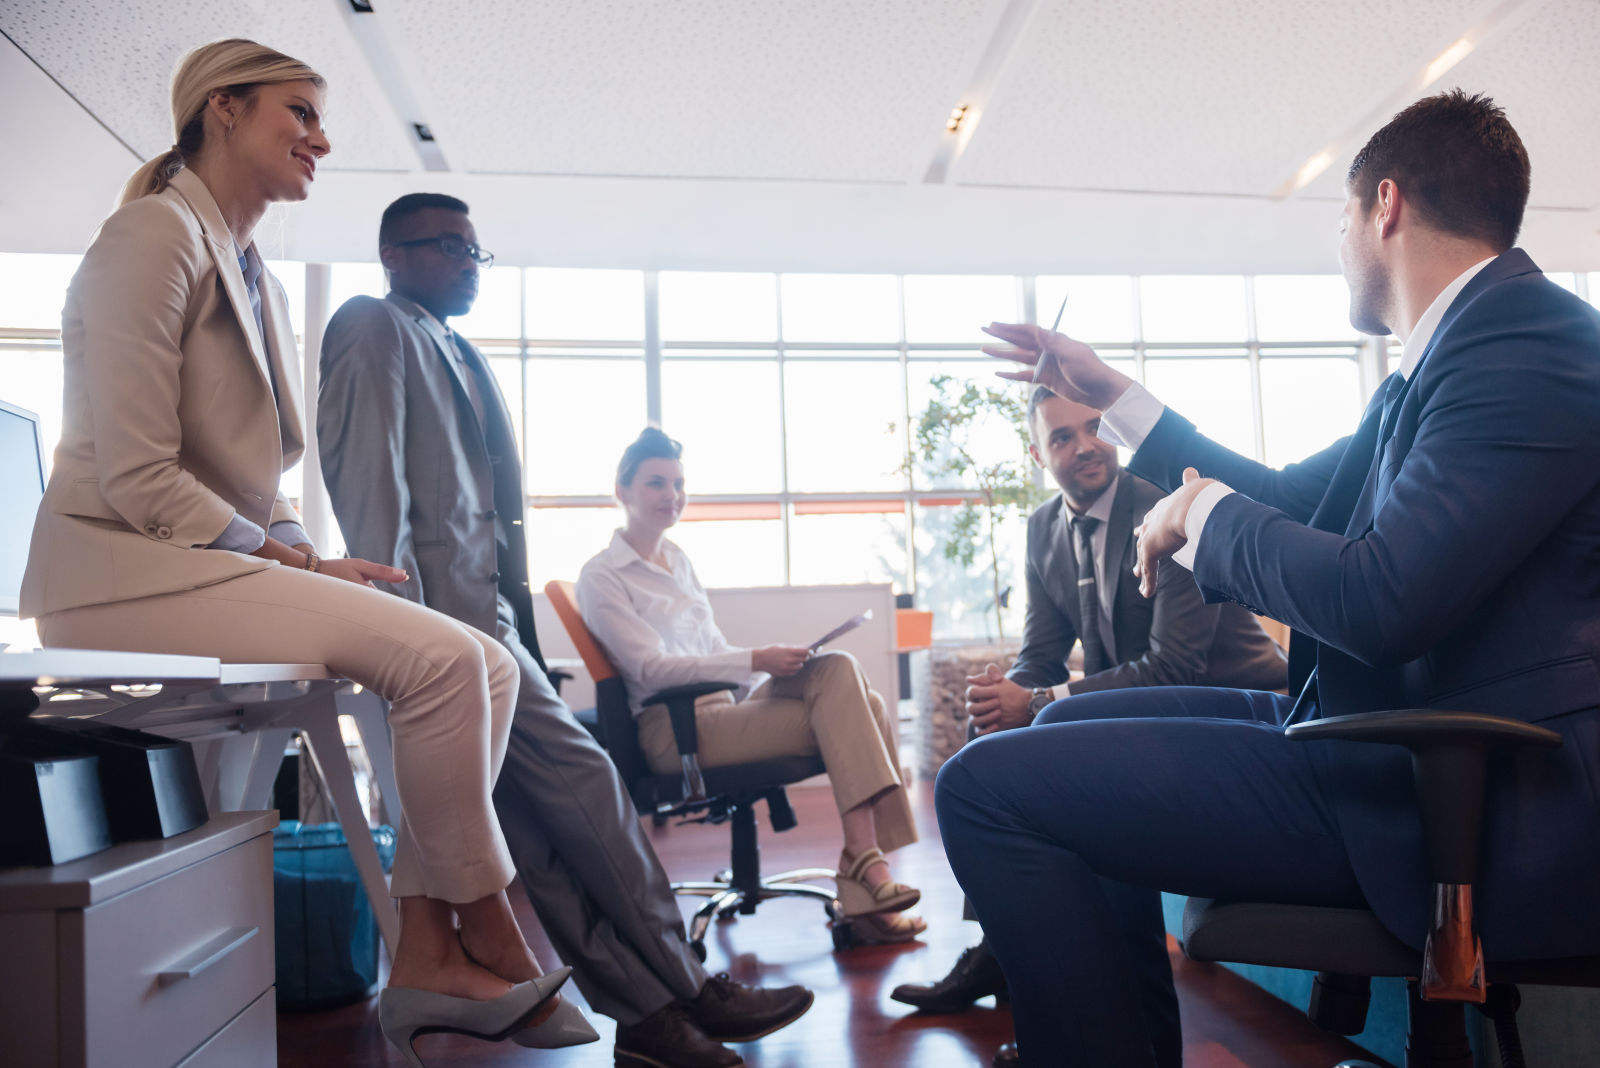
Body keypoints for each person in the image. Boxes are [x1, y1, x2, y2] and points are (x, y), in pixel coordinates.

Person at [937, 89, 1600, 1066]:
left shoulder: (1530, 349)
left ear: (1383, 206)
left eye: (1338, 217)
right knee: (1057, 722)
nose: (1339, 241)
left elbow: (1381, 601)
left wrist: (1196, 515)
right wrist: (1113, 395)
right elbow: (1290, 499)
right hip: (1388, 742)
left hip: (1461, 786)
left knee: (983, 790)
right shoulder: (1448, 362)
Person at [16, 39, 588, 1067]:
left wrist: (294, 547)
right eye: (301, 113)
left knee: (487, 662)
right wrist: (295, 565)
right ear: (223, 110)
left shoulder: (252, 271)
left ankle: (423, 946)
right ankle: (484, 925)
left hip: (198, 562)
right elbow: (139, 478)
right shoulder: (152, 236)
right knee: (449, 658)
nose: (321, 140)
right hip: (112, 572)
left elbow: (259, 479)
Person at [318, 194, 812, 1068]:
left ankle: (655, 1016)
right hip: (447, 636)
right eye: (449, 247)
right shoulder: (372, 327)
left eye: (478, 250)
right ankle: (682, 991)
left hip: (495, 630)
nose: (470, 262)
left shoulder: (458, 349)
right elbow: (370, 494)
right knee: (577, 803)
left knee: (551, 834)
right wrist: (409, 638)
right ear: (394, 254)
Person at [891, 388, 1286, 1064]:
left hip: (1232, 714)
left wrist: (1039, 698)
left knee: (1091, 801)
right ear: (1038, 453)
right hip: (1134, 717)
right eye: (1063, 437)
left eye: (1095, 427)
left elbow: (1176, 668)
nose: (1087, 446)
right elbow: (1040, 653)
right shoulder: (1044, 527)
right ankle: (1005, 945)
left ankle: (1142, 1044)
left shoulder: (1165, 505)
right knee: (989, 747)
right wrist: (1006, 694)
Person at [576, 428, 925, 943]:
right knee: (858, 706)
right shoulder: (602, 575)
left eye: (678, 483)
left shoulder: (678, 561)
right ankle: (866, 875)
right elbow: (649, 668)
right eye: (655, 483)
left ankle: (868, 864)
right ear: (622, 491)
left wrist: (771, 671)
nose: (671, 495)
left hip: (722, 711)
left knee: (836, 670)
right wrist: (754, 658)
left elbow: (712, 646)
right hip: (676, 732)